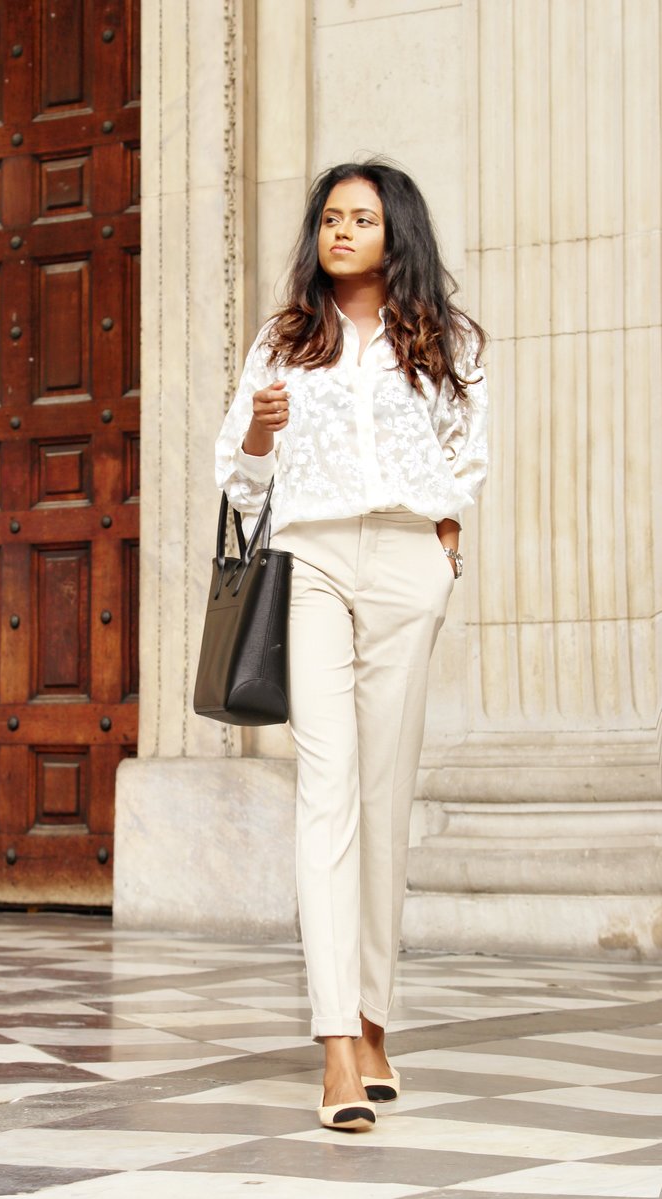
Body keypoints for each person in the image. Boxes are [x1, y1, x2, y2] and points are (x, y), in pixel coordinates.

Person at [215, 160, 488, 1132]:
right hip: (313, 562)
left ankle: (377, 1018)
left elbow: (467, 451)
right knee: (326, 790)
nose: (339, 230)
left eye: (359, 217)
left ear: (393, 232)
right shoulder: (285, 339)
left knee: (384, 795)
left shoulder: (443, 339)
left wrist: (445, 536)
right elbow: (240, 484)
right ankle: (336, 1040)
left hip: (409, 564)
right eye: (329, 216)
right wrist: (255, 428)